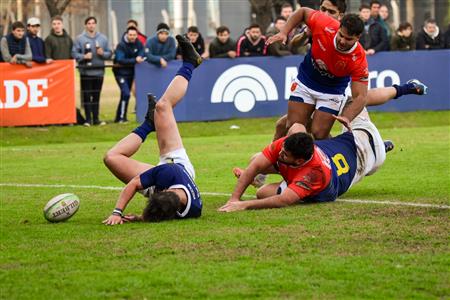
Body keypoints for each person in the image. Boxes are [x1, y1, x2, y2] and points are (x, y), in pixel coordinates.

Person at [103, 35, 203, 225]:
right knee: (162, 106)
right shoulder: (191, 204)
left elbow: (137, 187)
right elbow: (134, 184)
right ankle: (190, 63)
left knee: (111, 158)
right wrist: (117, 212)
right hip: (177, 167)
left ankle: (149, 124)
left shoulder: (187, 209)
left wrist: (135, 217)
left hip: (168, 180)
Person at [219, 112, 387, 212]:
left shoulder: (314, 173)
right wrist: (234, 198)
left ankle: (406, 88)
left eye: (285, 154)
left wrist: (243, 205)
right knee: (255, 160)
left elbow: (283, 201)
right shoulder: (288, 145)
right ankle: (256, 178)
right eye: (282, 150)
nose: (281, 153)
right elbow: (255, 166)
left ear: (299, 160)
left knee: (262, 193)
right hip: (344, 147)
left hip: (355, 163)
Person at [267, 8, 368, 140]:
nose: (342, 41)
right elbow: (302, 12)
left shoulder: (359, 58)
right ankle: (279, 158)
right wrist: (284, 32)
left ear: (358, 37)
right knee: (293, 128)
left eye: (348, 39)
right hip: (306, 81)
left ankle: (327, 158)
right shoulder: (325, 24)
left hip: (331, 91)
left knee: (319, 134)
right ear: (338, 28)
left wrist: (346, 117)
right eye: (341, 35)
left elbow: (361, 96)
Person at [72, 16, 112, 126]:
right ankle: (88, 120)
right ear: (85, 25)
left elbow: (109, 54)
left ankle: (96, 119)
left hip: (99, 72)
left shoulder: (103, 38)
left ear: (95, 25)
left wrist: (102, 53)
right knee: (87, 96)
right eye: (89, 23)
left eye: (93, 23)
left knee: (96, 96)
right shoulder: (80, 39)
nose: (91, 25)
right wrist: (84, 56)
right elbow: (74, 53)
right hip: (86, 72)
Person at [113, 26, 145, 123]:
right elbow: (120, 60)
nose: (132, 37)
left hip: (131, 73)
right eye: (130, 35)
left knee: (124, 94)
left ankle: (119, 117)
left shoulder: (138, 43)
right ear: (127, 34)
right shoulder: (121, 45)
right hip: (120, 73)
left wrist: (140, 56)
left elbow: (142, 51)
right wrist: (135, 60)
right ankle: (122, 118)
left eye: (134, 35)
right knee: (126, 93)